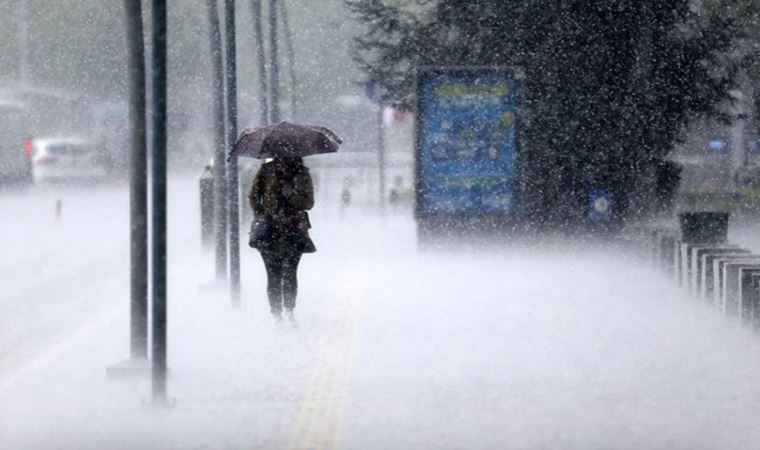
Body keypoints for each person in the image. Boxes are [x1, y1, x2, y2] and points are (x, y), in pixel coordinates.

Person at [249, 156, 316, 325]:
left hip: (294, 229)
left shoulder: (302, 173)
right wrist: (262, 214)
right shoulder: (266, 171)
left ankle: (289, 309)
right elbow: (254, 196)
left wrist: (291, 195)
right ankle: (277, 313)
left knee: (290, 272)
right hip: (269, 230)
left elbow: (309, 202)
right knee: (273, 273)